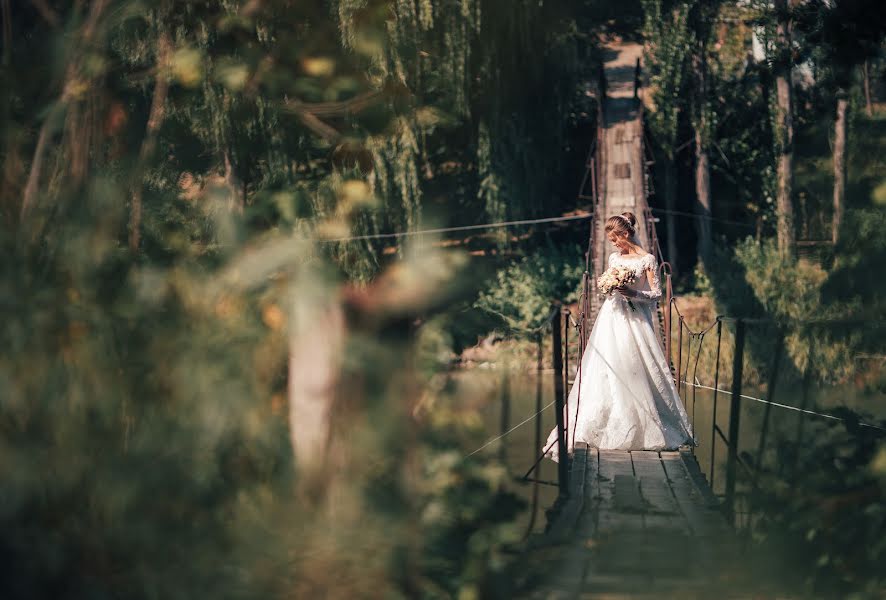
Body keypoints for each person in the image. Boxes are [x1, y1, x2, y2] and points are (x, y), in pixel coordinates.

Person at [544, 211, 694, 461]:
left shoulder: (647, 260)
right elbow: (607, 288)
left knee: (635, 365)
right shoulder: (614, 258)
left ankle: (642, 425)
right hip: (611, 317)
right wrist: (609, 287)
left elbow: (657, 294)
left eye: (615, 238)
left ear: (626, 234)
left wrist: (632, 293)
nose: (613, 244)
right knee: (605, 366)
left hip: (635, 319)